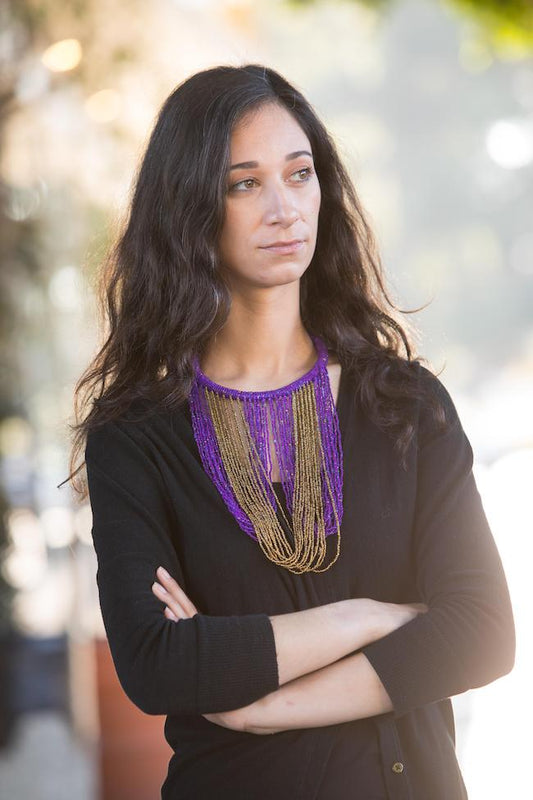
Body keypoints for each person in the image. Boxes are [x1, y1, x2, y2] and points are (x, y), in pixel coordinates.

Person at [64, 64, 515, 799]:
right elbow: (156, 664)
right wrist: (368, 618)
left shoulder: (402, 406)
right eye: (243, 184)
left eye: (298, 174)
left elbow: (482, 631)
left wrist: (262, 705)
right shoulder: (136, 437)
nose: (283, 208)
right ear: (189, 209)